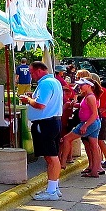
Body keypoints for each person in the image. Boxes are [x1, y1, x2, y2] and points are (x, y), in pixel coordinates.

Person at [20, 62, 64, 200]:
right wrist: (32, 97)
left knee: (51, 157)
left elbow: (40, 104)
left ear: (39, 70)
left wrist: (28, 100)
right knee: (51, 156)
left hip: (45, 123)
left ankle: (51, 192)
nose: (31, 75)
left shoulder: (45, 83)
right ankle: (54, 187)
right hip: (53, 121)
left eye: (32, 72)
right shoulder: (54, 82)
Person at [59, 79, 104, 177]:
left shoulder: (90, 97)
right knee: (94, 146)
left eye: (82, 85)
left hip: (89, 123)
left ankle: (62, 163)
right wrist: (75, 104)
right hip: (93, 123)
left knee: (66, 139)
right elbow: (85, 107)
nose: (79, 87)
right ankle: (94, 171)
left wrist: (85, 126)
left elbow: (94, 114)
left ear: (89, 86)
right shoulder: (89, 96)